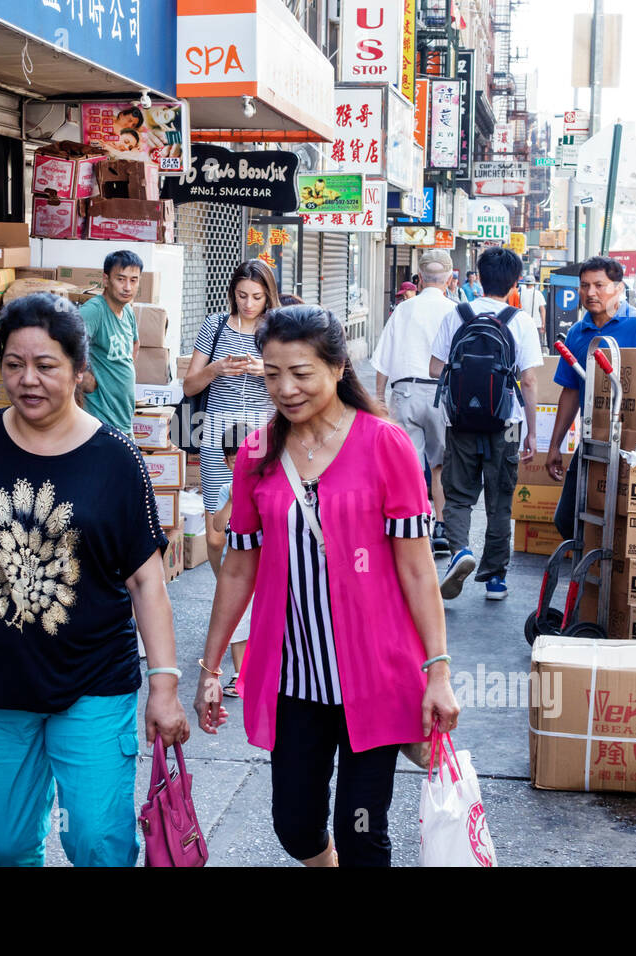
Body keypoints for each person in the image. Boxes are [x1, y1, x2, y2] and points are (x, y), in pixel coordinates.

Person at [0, 292, 189, 867]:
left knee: (97, 842)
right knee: (8, 844)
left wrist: (164, 681)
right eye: (14, 365)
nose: (27, 380)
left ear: (79, 370)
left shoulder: (116, 458)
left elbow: (146, 581)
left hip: (94, 680)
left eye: (46, 366)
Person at [193, 304, 459, 867]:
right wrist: (211, 668)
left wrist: (438, 671)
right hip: (294, 679)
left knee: (362, 830)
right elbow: (239, 568)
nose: (285, 388)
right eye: (271, 373)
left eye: (301, 373)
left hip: (376, 674)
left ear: (338, 367)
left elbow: (416, 568)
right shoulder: (256, 455)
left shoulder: (385, 444)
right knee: (295, 826)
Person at [429, 246, 542, 602]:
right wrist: (533, 432)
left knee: (459, 493)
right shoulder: (519, 320)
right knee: (500, 497)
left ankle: (460, 551)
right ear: (515, 282)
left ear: (478, 277)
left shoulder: (457, 314)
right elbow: (530, 380)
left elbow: (435, 368)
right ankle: (495, 578)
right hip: (507, 422)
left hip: (460, 419)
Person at [548, 256, 636, 539]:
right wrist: (555, 445)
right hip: (592, 439)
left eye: (600, 285)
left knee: (625, 523)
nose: (591, 293)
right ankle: (587, 574)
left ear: (619, 288)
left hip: (632, 444)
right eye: (585, 285)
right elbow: (571, 391)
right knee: (567, 520)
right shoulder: (578, 332)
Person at [183, 260, 280, 579]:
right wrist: (216, 369)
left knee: (262, 524)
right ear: (232, 293)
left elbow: (294, 382)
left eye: (256, 296)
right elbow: (189, 385)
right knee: (215, 531)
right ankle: (225, 589)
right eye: (242, 295)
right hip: (215, 436)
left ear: (268, 296)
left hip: (262, 437)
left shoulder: (277, 329)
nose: (248, 304)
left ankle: (252, 597)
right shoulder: (216, 325)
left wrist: (264, 370)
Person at [373, 249, 456, 556]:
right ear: (448, 279)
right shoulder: (456, 311)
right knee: (438, 466)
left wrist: (379, 398)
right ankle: (442, 527)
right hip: (442, 396)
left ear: (419, 279)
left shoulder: (404, 310)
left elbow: (383, 359)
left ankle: (413, 522)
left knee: (407, 464)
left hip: (406, 393)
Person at [211, 423, 253, 697]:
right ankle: (240, 673)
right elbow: (217, 526)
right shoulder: (226, 489)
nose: (240, 466)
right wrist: (232, 499)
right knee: (239, 620)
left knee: (260, 620)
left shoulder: (265, 486)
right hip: (235, 567)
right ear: (227, 463)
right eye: (234, 461)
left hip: (263, 566)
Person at [79, 249, 142, 433]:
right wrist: (84, 377)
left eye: (133, 280)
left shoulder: (127, 310)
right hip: (98, 422)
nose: (127, 287)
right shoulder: (95, 310)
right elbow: (64, 344)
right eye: (120, 279)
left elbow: (135, 344)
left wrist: (121, 373)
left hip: (123, 419)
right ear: (106, 280)